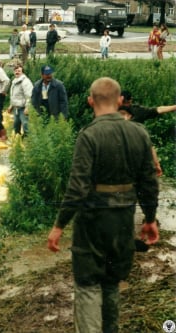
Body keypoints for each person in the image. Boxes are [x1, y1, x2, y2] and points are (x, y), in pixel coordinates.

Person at [47, 77, 159, 333]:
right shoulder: (139, 132)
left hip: (92, 223)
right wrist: (150, 218)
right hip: (123, 221)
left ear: (90, 101)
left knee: (87, 285)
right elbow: (149, 182)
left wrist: (59, 225)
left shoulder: (89, 135)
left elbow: (77, 186)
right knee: (111, 282)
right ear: (120, 101)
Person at [7, 64, 33, 137]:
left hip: (23, 109)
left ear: (23, 72)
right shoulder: (14, 82)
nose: (17, 72)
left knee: (25, 125)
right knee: (16, 126)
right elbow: (13, 96)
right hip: (16, 109)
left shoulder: (26, 82)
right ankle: (18, 142)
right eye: (15, 71)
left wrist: (27, 107)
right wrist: (11, 105)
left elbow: (29, 96)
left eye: (19, 71)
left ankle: (28, 142)